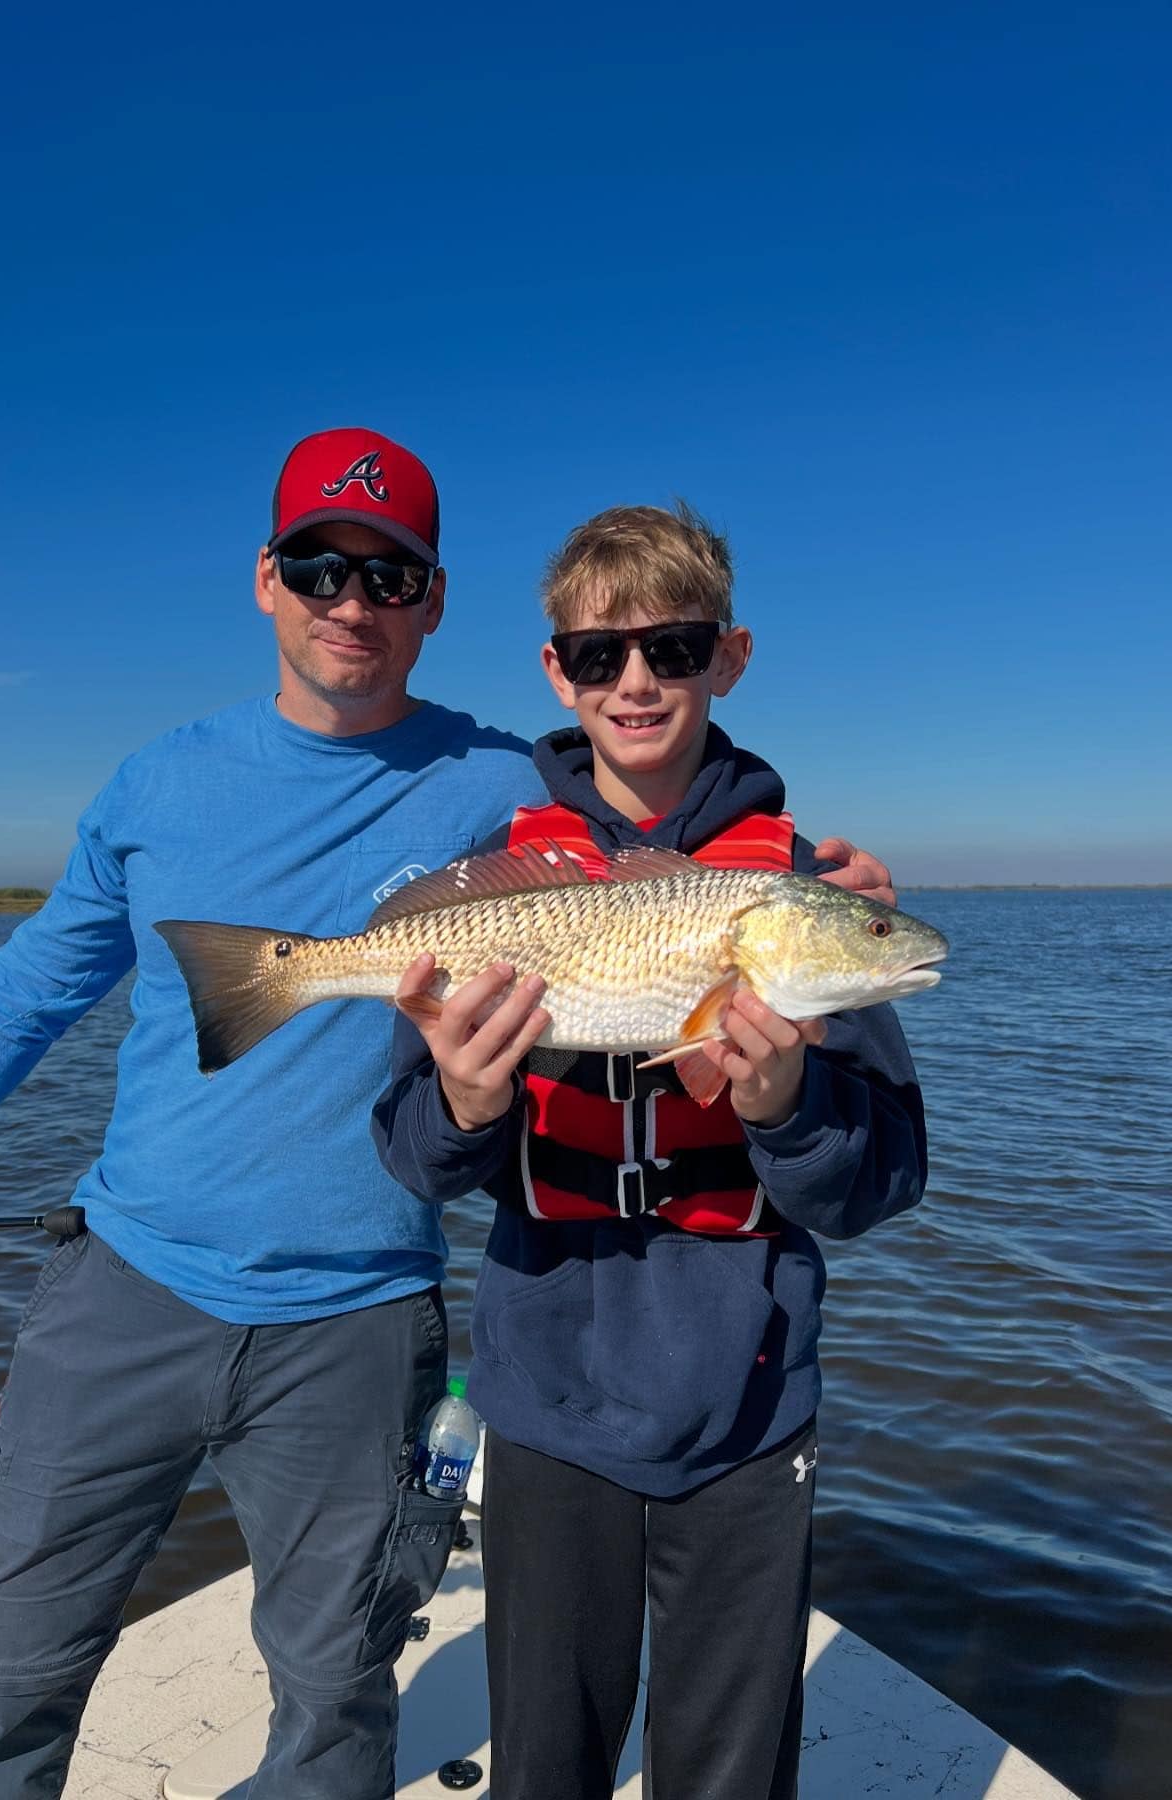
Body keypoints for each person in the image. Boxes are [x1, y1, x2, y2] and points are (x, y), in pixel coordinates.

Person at [0, 433, 891, 1800]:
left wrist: (813, 890)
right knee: (7, 1667)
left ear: (434, 603)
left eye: (391, 572)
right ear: (266, 580)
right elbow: (28, 991)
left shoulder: (508, 789)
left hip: (366, 1319)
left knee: (333, 1695)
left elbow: (655, 833)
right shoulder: (155, 784)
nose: (350, 598)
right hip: (129, 1284)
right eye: (317, 563)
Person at [374, 501, 928, 1800]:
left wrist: (786, 1104)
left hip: (744, 1405)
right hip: (546, 1388)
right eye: (599, 656)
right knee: (545, 1767)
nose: (635, 683)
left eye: (672, 651)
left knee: (727, 1779)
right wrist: (462, 1101)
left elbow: (885, 1179)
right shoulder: (498, 879)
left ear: (728, 658)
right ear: (556, 671)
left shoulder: (805, 892)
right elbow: (413, 1156)